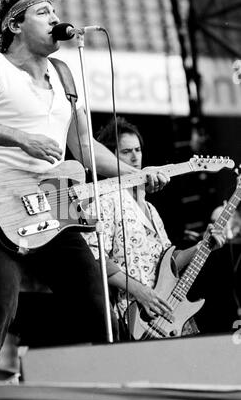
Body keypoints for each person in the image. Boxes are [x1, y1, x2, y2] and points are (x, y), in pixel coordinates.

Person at [0, 0, 168, 380]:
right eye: (42, 12)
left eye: (53, 10)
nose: (55, 18)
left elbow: (83, 146)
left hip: (57, 204)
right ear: (15, 24)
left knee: (97, 307)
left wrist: (136, 173)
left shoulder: (64, 74)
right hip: (5, 204)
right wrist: (21, 139)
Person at [83, 117, 227, 339]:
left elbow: (167, 262)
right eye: (126, 151)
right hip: (131, 316)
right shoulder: (105, 200)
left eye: (138, 150)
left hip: (164, 312)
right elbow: (93, 257)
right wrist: (140, 292)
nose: (134, 157)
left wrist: (202, 246)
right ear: (109, 158)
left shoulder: (151, 208)